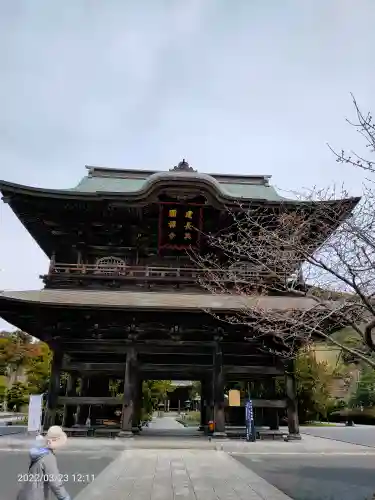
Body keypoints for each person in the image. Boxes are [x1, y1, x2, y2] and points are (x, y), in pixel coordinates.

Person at [16, 426, 71, 500]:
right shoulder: (48, 457)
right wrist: (65, 498)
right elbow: (55, 483)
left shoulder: (40, 452)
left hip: (26, 494)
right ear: (55, 441)